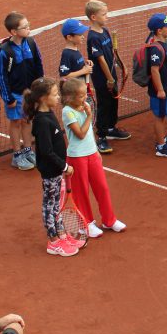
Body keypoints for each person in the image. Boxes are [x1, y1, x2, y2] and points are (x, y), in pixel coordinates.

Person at [60, 78, 125, 238]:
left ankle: (109, 220)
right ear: (69, 97)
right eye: (81, 96)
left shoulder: (84, 106)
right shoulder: (67, 111)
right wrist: (89, 116)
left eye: (84, 95)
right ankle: (86, 223)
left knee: (102, 187)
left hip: (91, 154)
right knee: (82, 192)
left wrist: (96, 152)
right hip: (77, 157)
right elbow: (81, 134)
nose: (85, 98)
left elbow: (89, 135)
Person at [25, 77, 79, 257]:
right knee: (50, 206)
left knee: (57, 205)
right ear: (42, 98)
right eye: (55, 95)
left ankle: (62, 234)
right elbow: (47, 151)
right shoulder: (41, 122)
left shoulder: (49, 114)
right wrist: (64, 167)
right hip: (51, 172)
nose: (58, 98)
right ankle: (53, 241)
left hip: (56, 171)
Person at [0, 11, 44, 171]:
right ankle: (17, 155)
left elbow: (39, 65)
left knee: (28, 120)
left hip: (30, 92)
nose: (29, 29)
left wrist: (39, 87)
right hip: (15, 94)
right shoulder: (5, 51)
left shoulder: (31, 42)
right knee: (16, 122)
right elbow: (2, 77)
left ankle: (28, 150)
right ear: (13, 32)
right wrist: (8, 98)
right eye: (25, 27)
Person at [58, 19, 110, 155]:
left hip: (81, 94)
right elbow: (64, 76)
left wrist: (86, 64)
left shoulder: (75, 50)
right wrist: (84, 71)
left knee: (87, 123)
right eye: (79, 34)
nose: (82, 36)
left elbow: (76, 67)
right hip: (75, 97)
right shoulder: (67, 53)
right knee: (82, 124)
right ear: (69, 37)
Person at [85, 0, 131, 146]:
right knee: (104, 104)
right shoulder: (93, 37)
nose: (107, 16)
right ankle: (102, 136)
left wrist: (122, 66)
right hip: (102, 79)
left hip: (112, 76)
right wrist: (110, 79)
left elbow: (112, 52)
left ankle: (111, 128)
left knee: (113, 102)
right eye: (104, 14)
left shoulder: (105, 31)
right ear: (93, 17)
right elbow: (101, 60)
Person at [146, 13, 167, 158]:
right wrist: (160, 89)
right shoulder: (156, 48)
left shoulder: (165, 43)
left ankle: (163, 139)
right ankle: (161, 147)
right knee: (160, 117)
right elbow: (154, 70)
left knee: (164, 116)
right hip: (160, 90)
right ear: (160, 30)